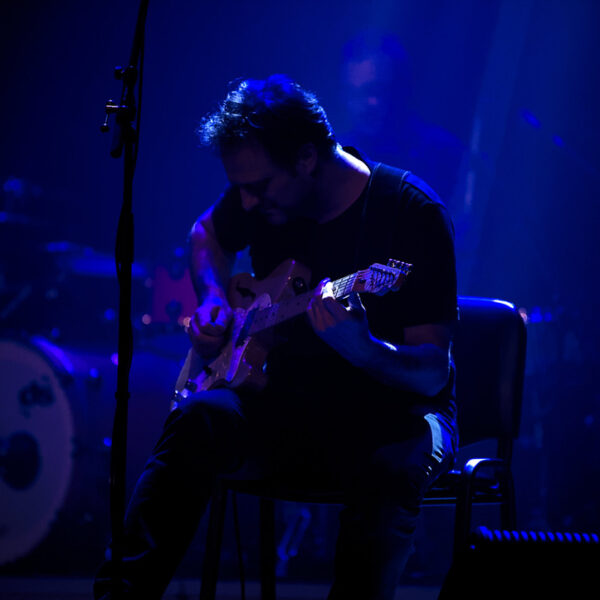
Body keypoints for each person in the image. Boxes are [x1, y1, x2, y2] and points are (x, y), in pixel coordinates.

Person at [94, 74, 458, 600]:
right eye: (239, 188)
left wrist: (368, 351)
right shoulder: (265, 198)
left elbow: (432, 371)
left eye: (257, 187)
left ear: (307, 159)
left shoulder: (410, 212)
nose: (244, 204)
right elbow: (206, 235)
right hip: (288, 403)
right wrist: (216, 300)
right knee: (198, 418)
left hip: (393, 417)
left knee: (389, 471)